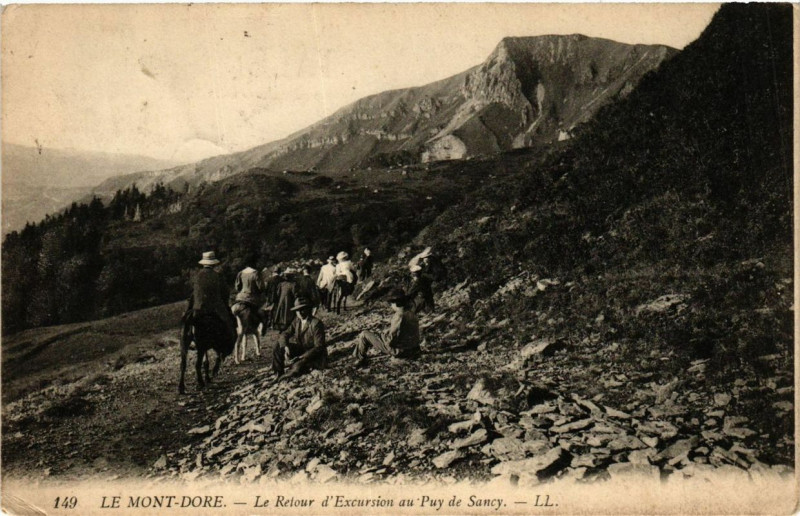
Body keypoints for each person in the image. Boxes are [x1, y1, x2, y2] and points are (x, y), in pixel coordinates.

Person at [353, 288, 420, 366]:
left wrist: (383, 338)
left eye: (391, 303)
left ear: (395, 303)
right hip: (413, 347)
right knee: (382, 333)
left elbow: (391, 340)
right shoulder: (411, 313)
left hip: (400, 350)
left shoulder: (399, 316)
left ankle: (360, 359)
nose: (391, 305)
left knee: (364, 334)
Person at [273, 297, 328, 378]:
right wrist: (285, 347)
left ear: (308, 309)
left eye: (302, 309)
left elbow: (319, 347)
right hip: (302, 350)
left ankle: (287, 376)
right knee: (278, 345)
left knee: (297, 367)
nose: (300, 313)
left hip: (313, 355)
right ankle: (278, 372)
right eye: (297, 310)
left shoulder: (316, 323)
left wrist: (300, 357)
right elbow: (285, 333)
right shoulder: (297, 321)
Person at [186, 251, 236, 338]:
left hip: (198, 307)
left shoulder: (197, 276)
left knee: (187, 320)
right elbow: (225, 292)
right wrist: (225, 303)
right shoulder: (218, 276)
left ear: (203, 264)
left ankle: (189, 337)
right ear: (214, 264)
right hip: (216, 308)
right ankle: (231, 338)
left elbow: (194, 291)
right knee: (229, 323)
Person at [260, 266, 283, 334]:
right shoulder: (282, 279)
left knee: (270, 311)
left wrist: (267, 297)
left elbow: (266, 290)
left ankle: (270, 324)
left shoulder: (269, 280)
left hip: (271, 298)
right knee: (278, 311)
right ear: (279, 272)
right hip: (279, 298)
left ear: (273, 272)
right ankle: (276, 324)